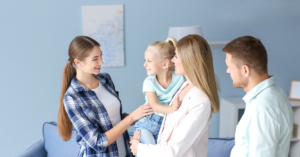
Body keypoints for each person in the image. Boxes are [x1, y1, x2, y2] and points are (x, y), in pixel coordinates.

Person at [57, 36, 153, 157]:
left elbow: (112, 119)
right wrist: (131, 118)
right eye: (95, 59)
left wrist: (142, 115)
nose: (101, 62)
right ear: (78, 62)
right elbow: (98, 142)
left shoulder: (105, 79)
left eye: (101, 56)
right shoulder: (72, 98)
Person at [130, 35, 220, 157]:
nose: (172, 60)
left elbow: (173, 150)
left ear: (189, 60)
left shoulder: (200, 101)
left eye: (176, 56)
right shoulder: (184, 87)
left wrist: (139, 149)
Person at [222, 36, 293, 157]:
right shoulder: (276, 93)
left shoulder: (262, 109)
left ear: (245, 70)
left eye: (229, 67)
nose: (227, 71)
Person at [134, 37, 186, 145]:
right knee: (150, 150)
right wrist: (172, 109)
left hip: (166, 124)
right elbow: (154, 105)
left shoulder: (180, 78)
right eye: (145, 60)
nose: (145, 64)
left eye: (149, 61)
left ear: (165, 64)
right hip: (147, 124)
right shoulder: (149, 82)